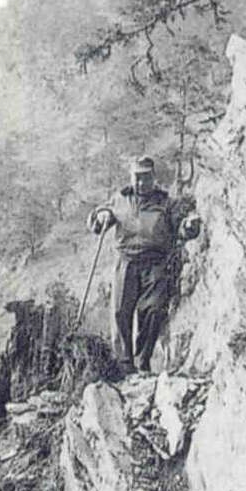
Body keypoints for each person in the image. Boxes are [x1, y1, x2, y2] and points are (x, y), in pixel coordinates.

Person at [88, 155, 201, 375]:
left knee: (153, 310)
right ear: (131, 178)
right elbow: (99, 219)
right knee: (120, 311)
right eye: (137, 177)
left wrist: (189, 227)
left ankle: (142, 362)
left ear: (153, 177)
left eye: (146, 177)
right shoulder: (120, 199)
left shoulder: (166, 203)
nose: (141, 182)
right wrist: (101, 216)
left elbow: (181, 227)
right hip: (126, 262)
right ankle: (124, 365)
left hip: (155, 263)